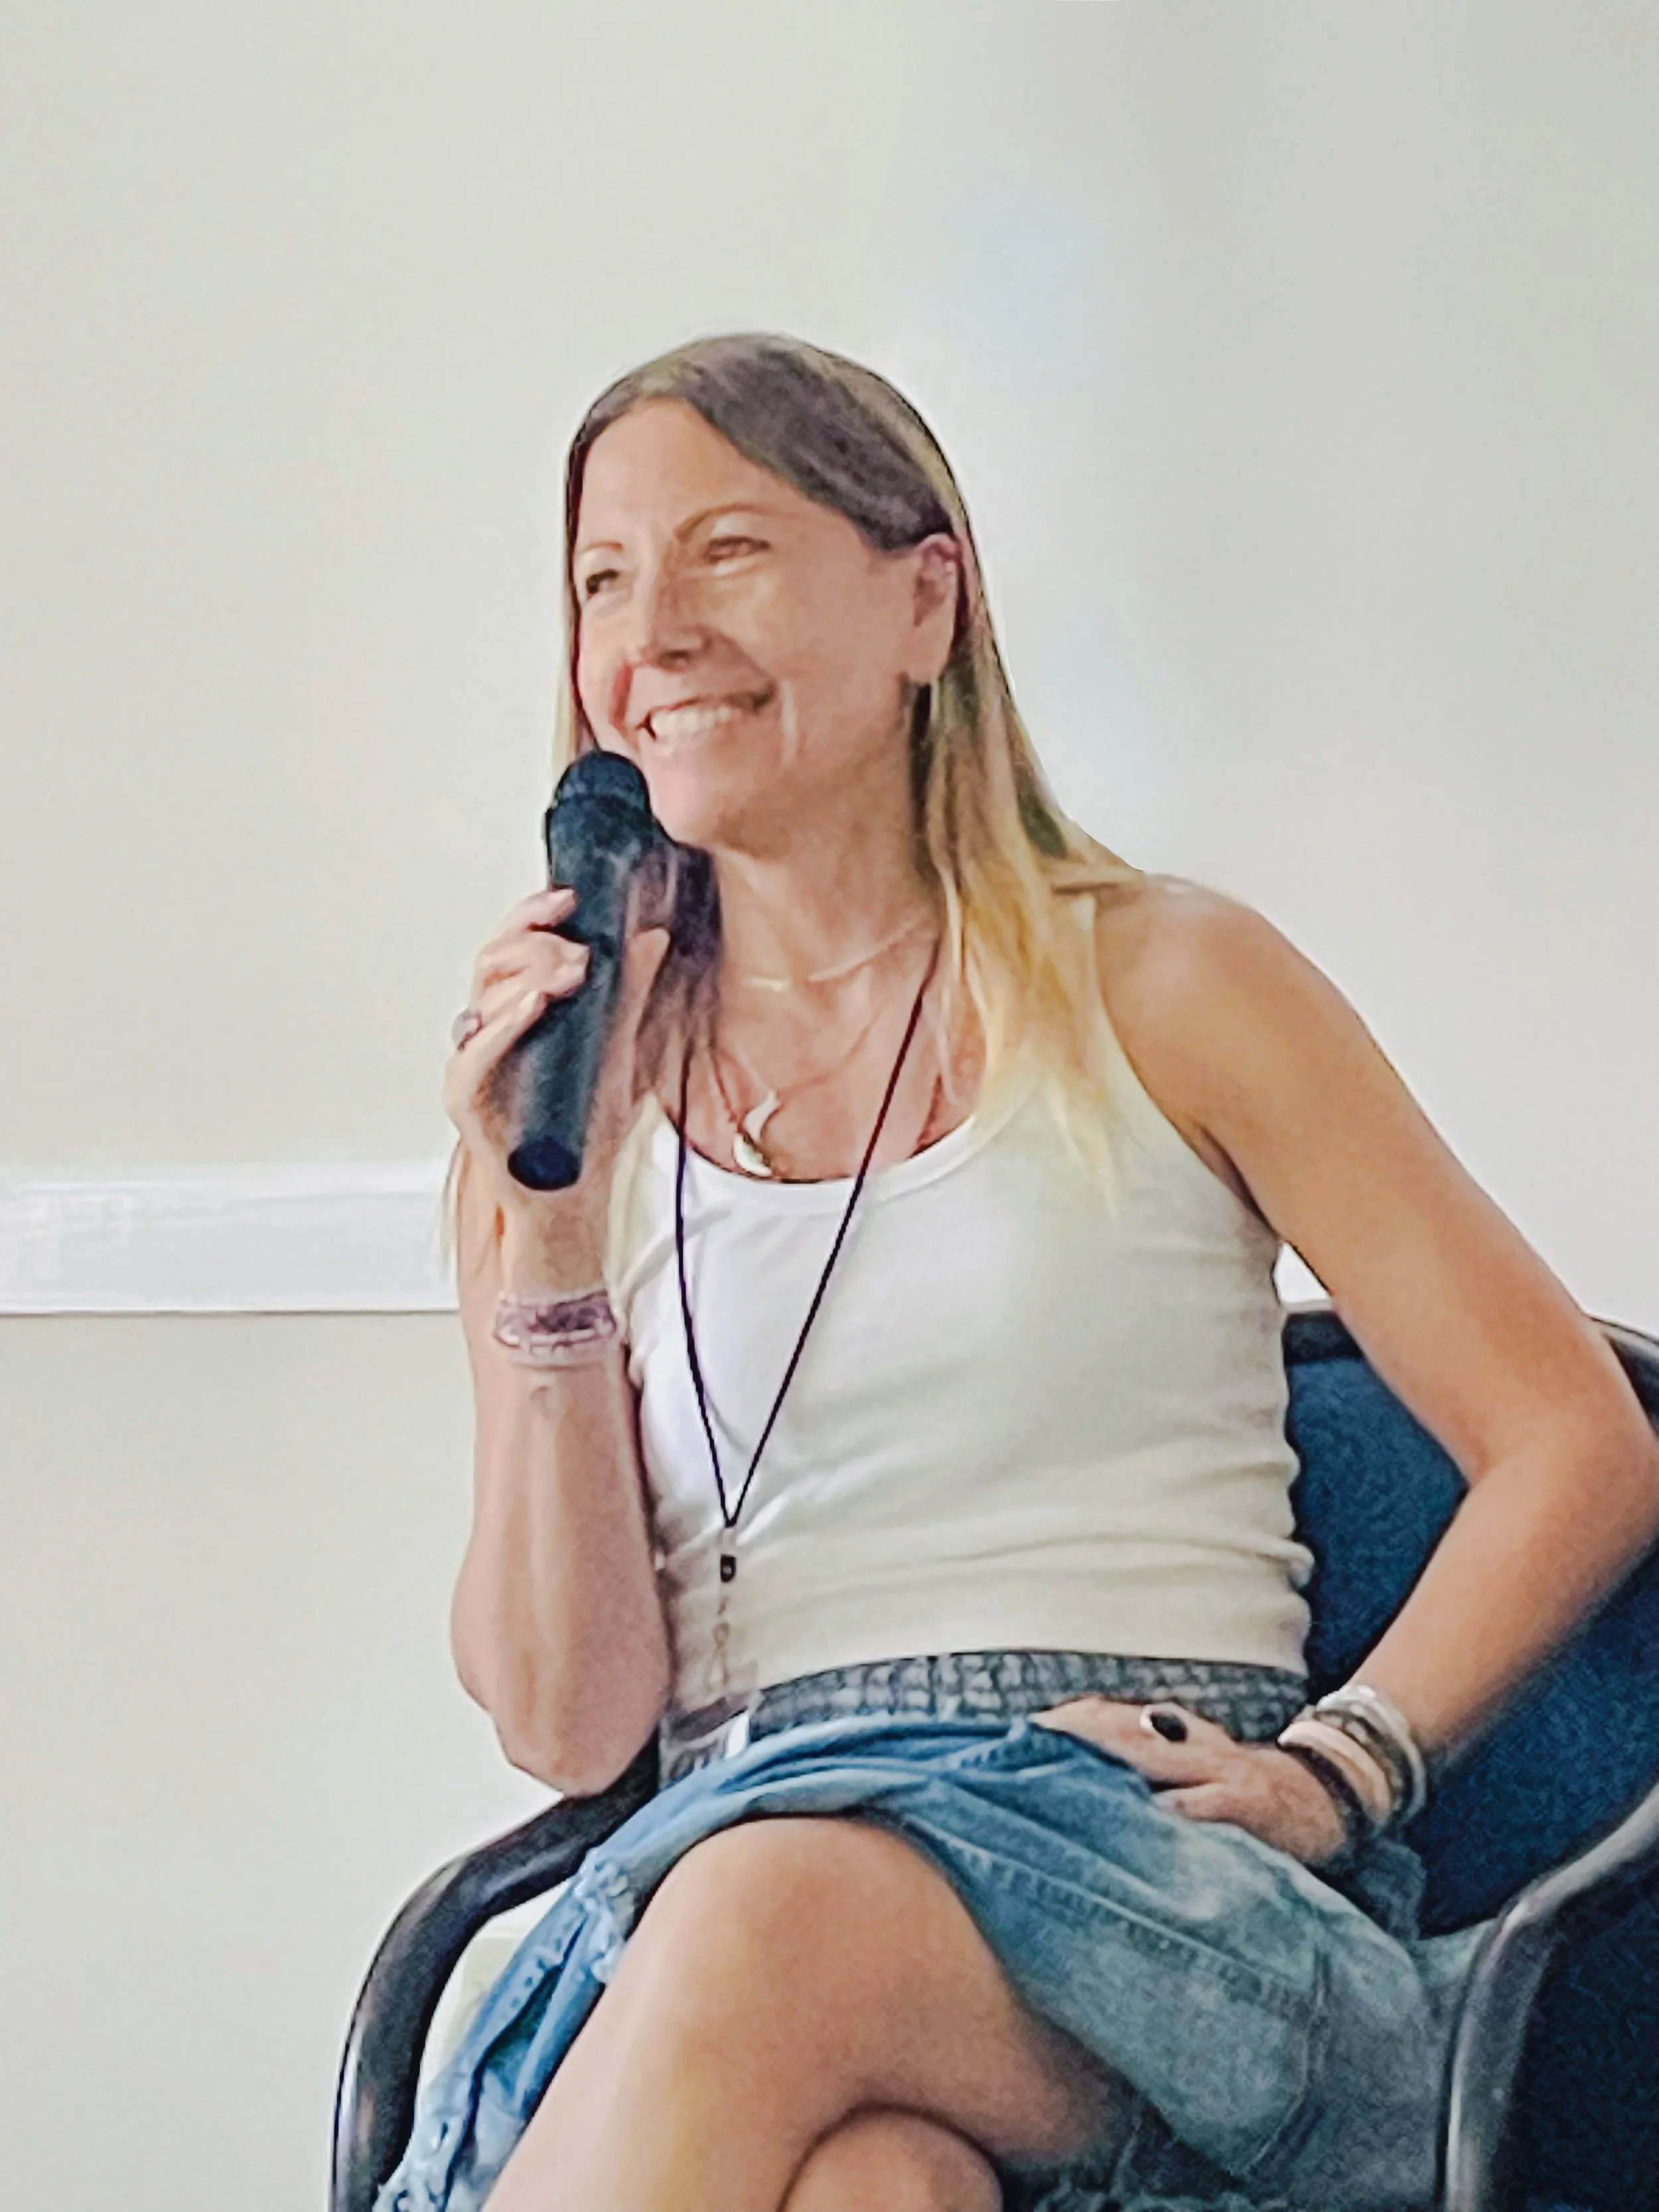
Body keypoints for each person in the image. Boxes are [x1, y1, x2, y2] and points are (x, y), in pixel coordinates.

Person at [384, 333, 1659, 2212]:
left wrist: (1338, 1770)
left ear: (925, 599)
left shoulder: (1165, 978)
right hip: (729, 1866)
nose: (648, 629)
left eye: (726, 549)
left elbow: (1580, 1440)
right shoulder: (569, 1101)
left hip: (1149, 1869)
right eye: (600, 578)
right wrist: (544, 1245)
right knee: (875, 2185)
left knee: (766, 1908)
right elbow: (571, 1724)